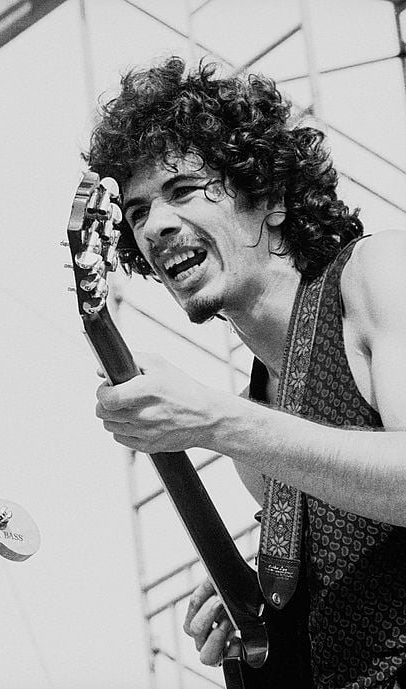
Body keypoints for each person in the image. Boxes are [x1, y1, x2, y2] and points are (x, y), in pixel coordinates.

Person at [84, 56, 406, 688]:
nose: (155, 225)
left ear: (271, 198)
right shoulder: (256, 422)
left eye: (182, 190)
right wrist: (267, 608)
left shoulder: (379, 273)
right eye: (138, 211)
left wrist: (219, 422)